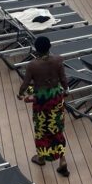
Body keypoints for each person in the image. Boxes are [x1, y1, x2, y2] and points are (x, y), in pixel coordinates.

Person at [17, 36, 69, 176]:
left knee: (41, 129)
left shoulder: (33, 65)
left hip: (42, 100)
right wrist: (66, 90)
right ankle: (62, 160)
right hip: (56, 98)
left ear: (36, 49)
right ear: (50, 46)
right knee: (56, 127)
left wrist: (20, 94)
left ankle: (41, 157)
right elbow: (63, 79)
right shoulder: (58, 60)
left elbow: (26, 83)